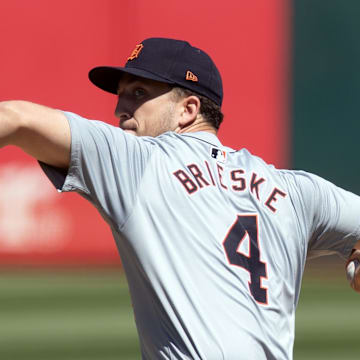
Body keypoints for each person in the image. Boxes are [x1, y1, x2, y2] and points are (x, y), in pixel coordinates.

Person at [0, 37, 359, 360]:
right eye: (122, 94)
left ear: (188, 109)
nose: (119, 109)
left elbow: (14, 118)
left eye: (138, 93)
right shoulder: (295, 191)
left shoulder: (139, 163)